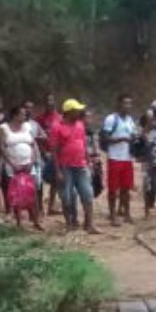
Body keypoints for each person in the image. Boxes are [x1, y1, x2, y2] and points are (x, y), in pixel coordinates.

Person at [49, 99, 101, 234]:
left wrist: (88, 162)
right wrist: (58, 171)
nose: (79, 112)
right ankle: (69, 224)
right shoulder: (57, 127)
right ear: (69, 112)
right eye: (77, 110)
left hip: (81, 165)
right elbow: (54, 150)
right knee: (66, 197)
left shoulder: (80, 125)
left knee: (87, 194)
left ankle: (89, 224)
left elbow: (83, 145)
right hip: (65, 166)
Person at [0, 105, 43, 230]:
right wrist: (11, 163)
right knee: (16, 193)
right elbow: (2, 147)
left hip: (28, 164)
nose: (25, 116)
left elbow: (33, 144)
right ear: (15, 115)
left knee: (32, 192)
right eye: (22, 114)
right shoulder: (4, 128)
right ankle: (19, 221)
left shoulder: (27, 127)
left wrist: (33, 160)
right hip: (13, 166)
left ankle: (35, 220)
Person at [101, 93, 139, 226]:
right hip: (114, 157)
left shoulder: (130, 120)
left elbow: (133, 134)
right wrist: (121, 139)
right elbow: (105, 137)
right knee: (113, 189)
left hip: (127, 157)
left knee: (126, 188)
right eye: (125, 103)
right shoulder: (111, 119)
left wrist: (135, 137)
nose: (127, 106)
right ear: (118, 104)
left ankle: (126, 213)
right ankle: (112, 215)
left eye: (129, 103)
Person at [36, 92, 65, 216]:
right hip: (44, 153)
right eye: (47, 100)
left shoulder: (60, 118)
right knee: (40, 181)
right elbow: (37, 137)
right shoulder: (40, 118)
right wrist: (43, 152)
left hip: (56, 153)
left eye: (52, 100)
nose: (49, 103)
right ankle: (39, 207)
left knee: (55, 181)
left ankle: (51, 206)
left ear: (55, 102)